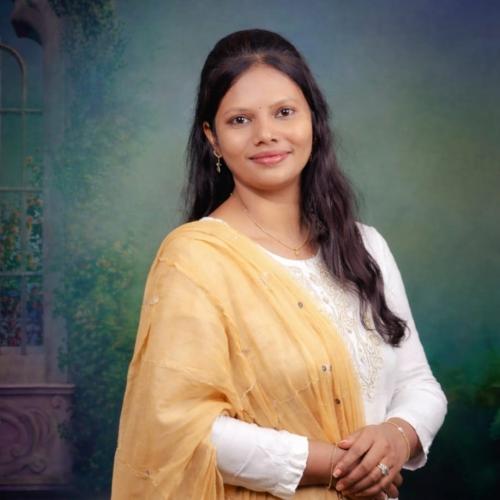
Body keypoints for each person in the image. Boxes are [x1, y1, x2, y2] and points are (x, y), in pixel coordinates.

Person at [111, 29, 447, 499]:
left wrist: (397, 436)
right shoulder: (195, 259)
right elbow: (183, 427)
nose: (266, 134)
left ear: (313, 119)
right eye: (240, 119)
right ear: (212, 138)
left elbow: (418, 382)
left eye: (284, 112)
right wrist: (344, 466)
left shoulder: (365, 246)